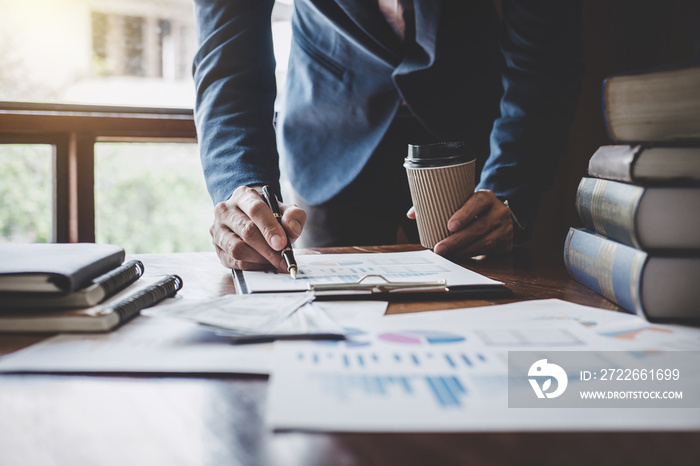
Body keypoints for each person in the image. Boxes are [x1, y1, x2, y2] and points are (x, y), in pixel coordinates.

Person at [193, 0, 583, 272]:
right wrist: (241, 187)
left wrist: (511, 189)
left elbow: (544, 55)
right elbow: (229, 65)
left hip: (471, 142)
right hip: (331, 134)